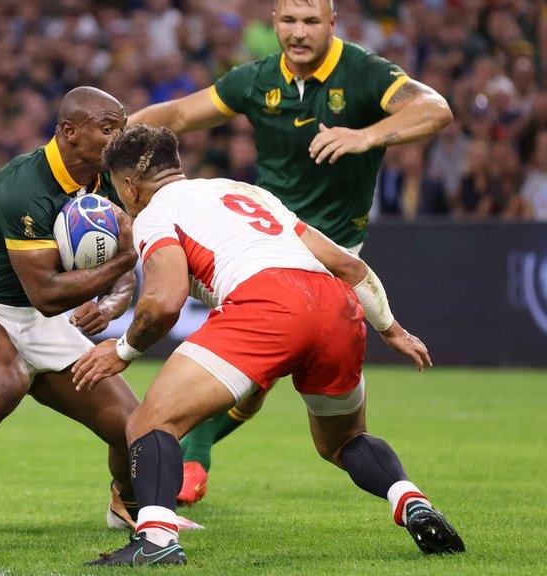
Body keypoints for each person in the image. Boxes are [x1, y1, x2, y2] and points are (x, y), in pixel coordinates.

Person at [73, 125, 464, 566]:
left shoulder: (154, 213)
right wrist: (391, 328)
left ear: (129, 185)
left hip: (266, 302)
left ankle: (158, 541)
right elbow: (347, 265)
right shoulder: (246, 191)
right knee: (345, 441)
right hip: (334, 304)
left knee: (149, 422)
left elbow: (164, 302)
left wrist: (121, 350)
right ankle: (409, 498)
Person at [128, 0, 454, 504]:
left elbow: (436, 109)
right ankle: (191, 460)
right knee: (257, 386)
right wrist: (108, 137)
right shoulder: (256, 80)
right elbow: (173, 115)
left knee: (250, 381)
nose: (298, 34)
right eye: (288, 21)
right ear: (274, 22)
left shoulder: (365, 73)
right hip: (258, 242)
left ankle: (181, 466)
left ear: (332, 24)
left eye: (310, 22)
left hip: (325, 251)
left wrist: (364, 135)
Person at [0, 87, 198, 548]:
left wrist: (111, 303)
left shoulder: (107, 180)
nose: (119, 138)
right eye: (109, 130)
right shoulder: (22, 187)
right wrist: (123, 265)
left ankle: (126, 503)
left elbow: (121, 275)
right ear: (70, 132)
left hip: (38, 318)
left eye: (122, 128)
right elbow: (49, 292)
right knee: (5, 381)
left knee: (137, 427)